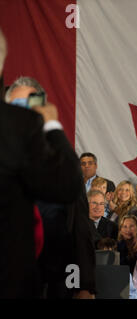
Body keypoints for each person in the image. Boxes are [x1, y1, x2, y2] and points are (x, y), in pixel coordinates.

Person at [0, 66, 92, 298]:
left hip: (59, 279)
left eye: (29, 106)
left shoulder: (62, 161)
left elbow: (79, 229)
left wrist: (85, 285)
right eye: (16, 107)